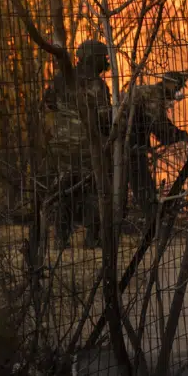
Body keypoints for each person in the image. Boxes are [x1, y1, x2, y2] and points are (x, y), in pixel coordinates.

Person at [41, 39, 113, 250]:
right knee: (93, 188)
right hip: (86, 146)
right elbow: (103, 119)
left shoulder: (61, 79)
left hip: (61, 145)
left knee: (65, 191)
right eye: (102, 58)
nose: (105, 63)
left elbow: (48, 103)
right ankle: (93, 237)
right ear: (93, 59)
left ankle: (61, 238)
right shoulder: (97, 84)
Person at [123, 70, 188, 226]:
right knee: (141, 184)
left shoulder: (152, 93)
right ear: (170, 83)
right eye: (177, 87)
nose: (178, 91)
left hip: (129, 142)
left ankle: (151, 218)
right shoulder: (154, 95)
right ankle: (152, 221)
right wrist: (181, 135)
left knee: (132, 182)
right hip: (127, 143)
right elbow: (161, 129)